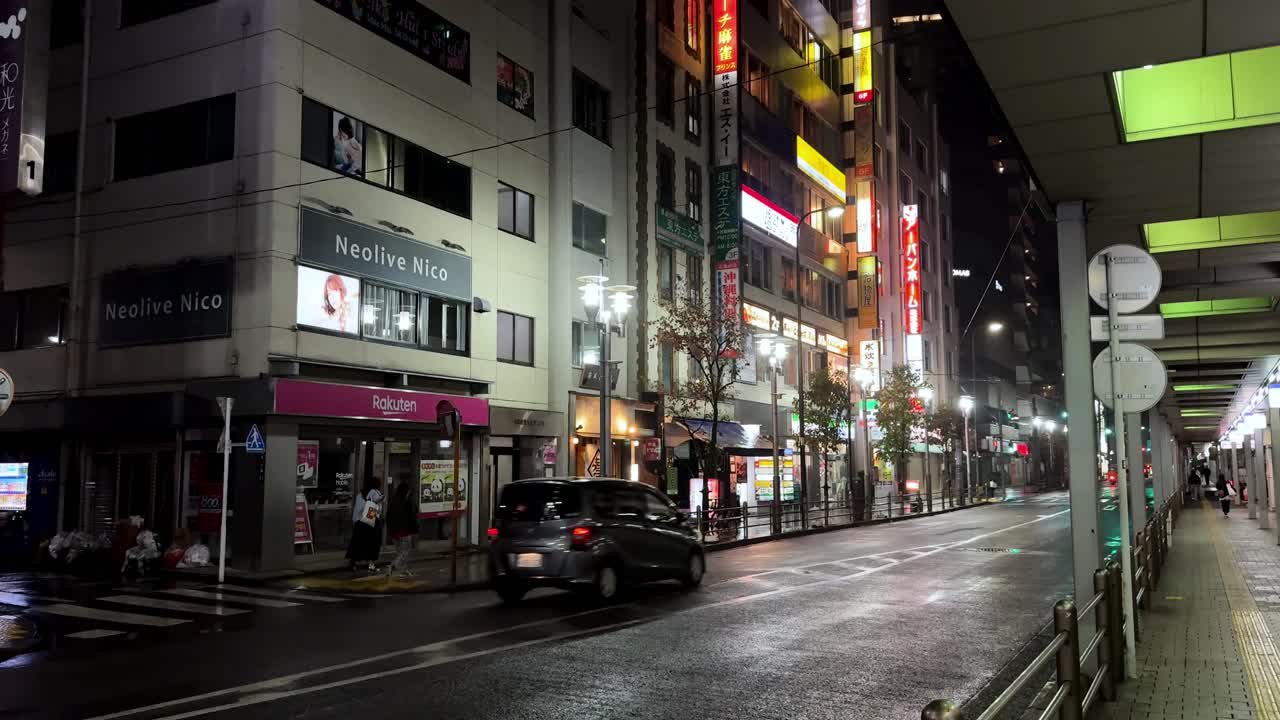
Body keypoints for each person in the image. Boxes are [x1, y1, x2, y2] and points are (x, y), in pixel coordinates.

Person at [347, 476, 384, 571]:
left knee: (358, 543)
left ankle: (354, 562)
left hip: (361, 523)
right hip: (373, 523)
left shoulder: (360, 495)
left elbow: (357, 510)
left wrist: (354, 521)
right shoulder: (378, 494)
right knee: (373, 544)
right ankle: (371, 564)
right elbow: (379, 511)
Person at [386, 482, 417, 578]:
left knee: (400, 553)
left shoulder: (393, 501)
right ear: (406, 492)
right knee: (405, 552)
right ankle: (392, 566)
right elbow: (412, 517)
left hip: (394, 531)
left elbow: (388, 516)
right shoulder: (407, 502)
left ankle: (404, 571)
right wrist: (414, 529)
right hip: (404, 531)